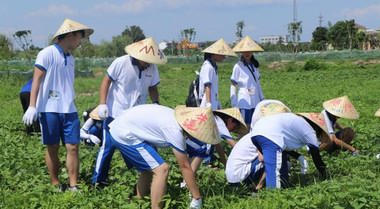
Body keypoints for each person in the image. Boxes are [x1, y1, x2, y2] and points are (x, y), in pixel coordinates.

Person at [22, 18, 94, 191]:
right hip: (49, 109)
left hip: (69, 109)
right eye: (79, 38)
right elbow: (37, 79)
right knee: (52, 146)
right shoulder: (47, 53)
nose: (80, 42)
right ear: (70, 35)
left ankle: (73, 185)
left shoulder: (71, 59)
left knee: (73, 146)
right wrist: (32, 105)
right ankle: (55, 183)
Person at [108, 104, 220, 209]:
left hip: (125, 126)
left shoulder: (176, 119)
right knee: (162, 170)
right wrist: (197, 197)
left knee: (149, 169)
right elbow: (184, 166)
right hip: (125, 133)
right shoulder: (174, 130)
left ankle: (138, 201)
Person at [92, 37, 167, 186]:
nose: (149, 63)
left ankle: (145, 178)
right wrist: (102, 104)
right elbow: (106, 81)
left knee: (141, 145)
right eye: (146, 60)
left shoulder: (152, 68)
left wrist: (156, 103)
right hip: (115, 113)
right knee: (108, 147)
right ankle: (98, 181)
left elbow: (153, 87)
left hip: (137, 116)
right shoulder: (121, 62)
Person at [251, 112, 328, 189]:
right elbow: (316, 158)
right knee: (273, 170)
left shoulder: (299, 122)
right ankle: (273, 195)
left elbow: (286, 147)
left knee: (280, 162)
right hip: (270, 135)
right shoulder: (309, 131)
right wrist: (327, 175)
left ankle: (284, 186)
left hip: (256, 132)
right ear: (318, 128)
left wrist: (299, 157)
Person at [181, 107, 247, 188]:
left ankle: (184, 184)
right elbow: (236, 146)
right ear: (230, 120)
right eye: (234, 127)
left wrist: (226, 165)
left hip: (186, 138)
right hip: (196, 140)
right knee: (204, 150)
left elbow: (219, 148)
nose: (232, 130)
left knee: (190, 165)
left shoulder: (214, 120)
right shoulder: (220, 122)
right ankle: (186, 185)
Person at [251, 99, 309, 174]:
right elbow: (261, 157)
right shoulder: (258, 121)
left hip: (277, 108)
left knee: (281, 146)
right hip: (262, 114)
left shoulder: (286, 117)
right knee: (264, 157)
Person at [230, 36, 265, 127]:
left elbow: (257, 83)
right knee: (245, 126)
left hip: (255, 100)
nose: (247, 53)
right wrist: (234, 102)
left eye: (249, 51)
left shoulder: (254, 66)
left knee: (256, 124)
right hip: (244, 101)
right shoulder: (238, 66)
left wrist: (262, 98)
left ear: (252, 51)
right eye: (244, 51)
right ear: (241, 52)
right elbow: (233, 84)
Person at [199, 38, 236, 110]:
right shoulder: (208, 67)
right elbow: (207, 86)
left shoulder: (213, 67)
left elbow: (214, 89)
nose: (224, 57)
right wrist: (208, 103)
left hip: (214, 102)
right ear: (214, 54)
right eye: (222, 54)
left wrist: (218, 103)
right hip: (206, 104)